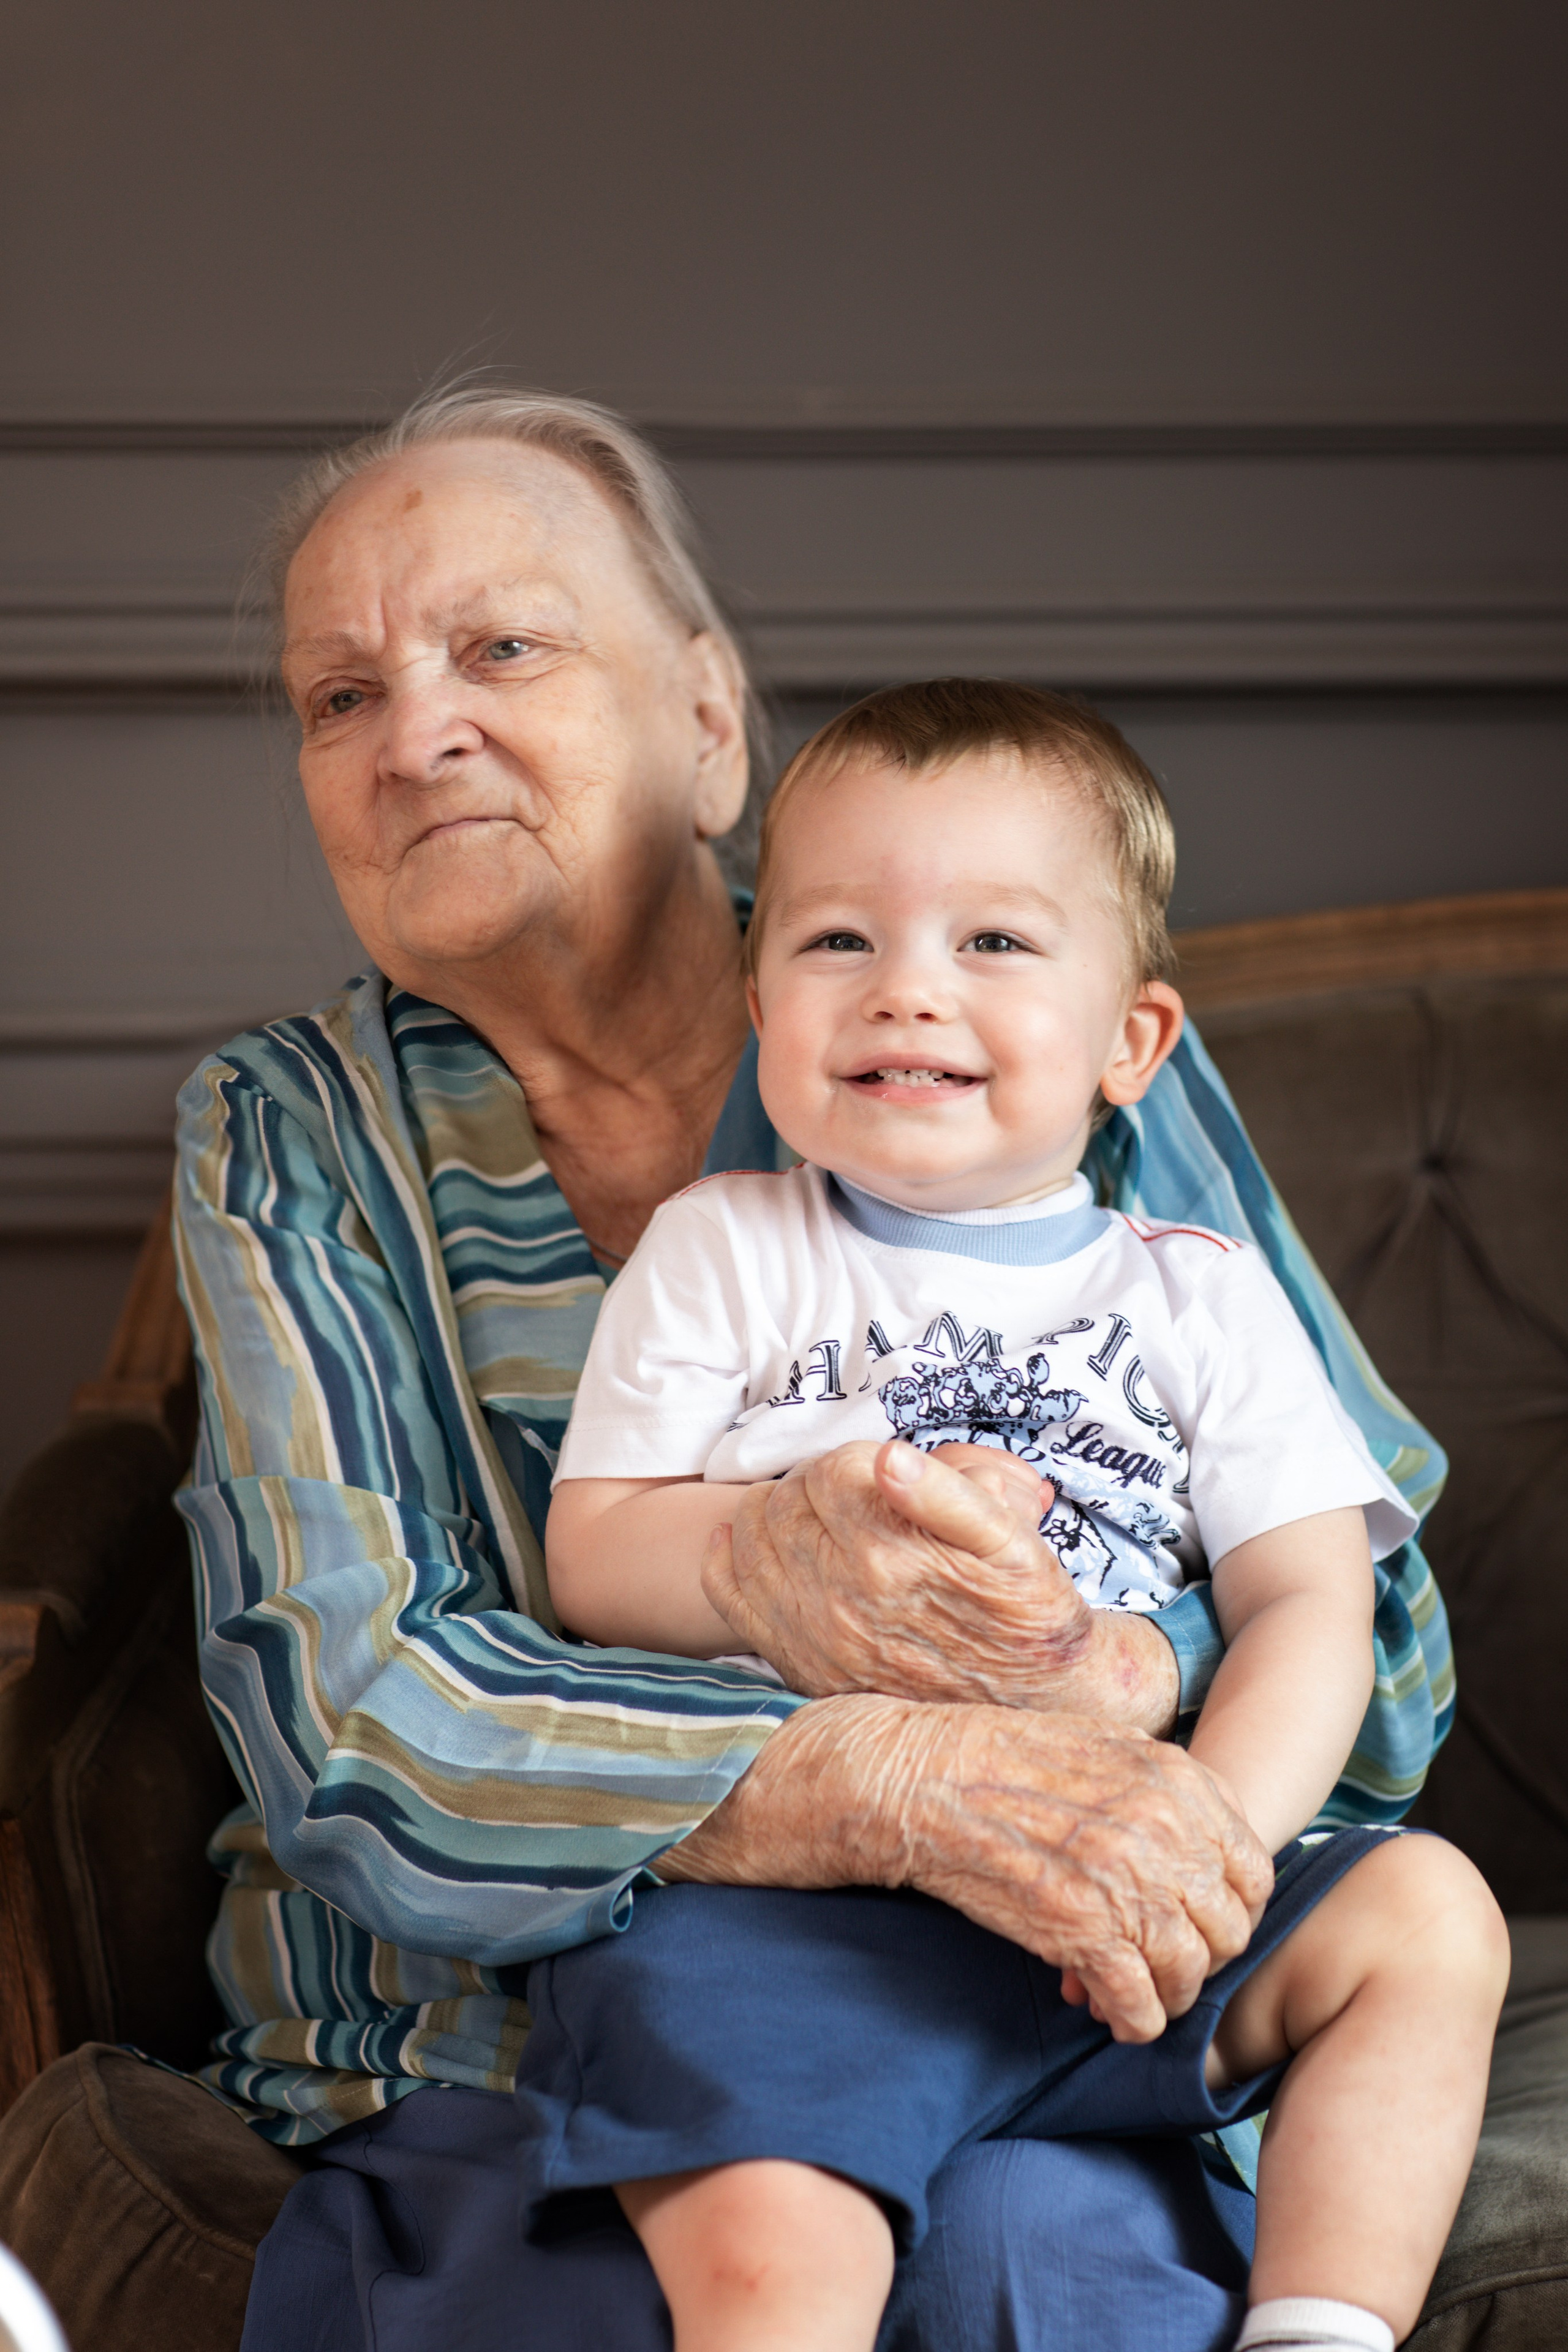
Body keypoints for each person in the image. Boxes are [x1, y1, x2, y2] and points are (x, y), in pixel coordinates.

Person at [169, 384, 1457, 2351]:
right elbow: (349, 1716)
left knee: (1052, 2269)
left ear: (708, 722)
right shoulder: (289, 1131)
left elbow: (1373, 1626)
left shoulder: (1020, 1009)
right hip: (501, 2043)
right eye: (338, 698)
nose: (415, 732)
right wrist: (878, 1765)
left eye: (501, 648)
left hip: (1059, 1986)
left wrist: (1105, 1675)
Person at [542, 679, 1509, 2352]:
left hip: (1133, 1915)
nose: (907, 986)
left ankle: (1325, 2330)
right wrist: (762, 1561)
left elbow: (1305, 1603)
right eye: (838, 940)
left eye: (993, 941)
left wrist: (1214, 1844)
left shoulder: (1197, 1296)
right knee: (769, 2253)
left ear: (1133, 1041)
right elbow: (595, 1550)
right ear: (763, 1004)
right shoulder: (724, 1248)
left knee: (1433, 1920)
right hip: (807, 1928)